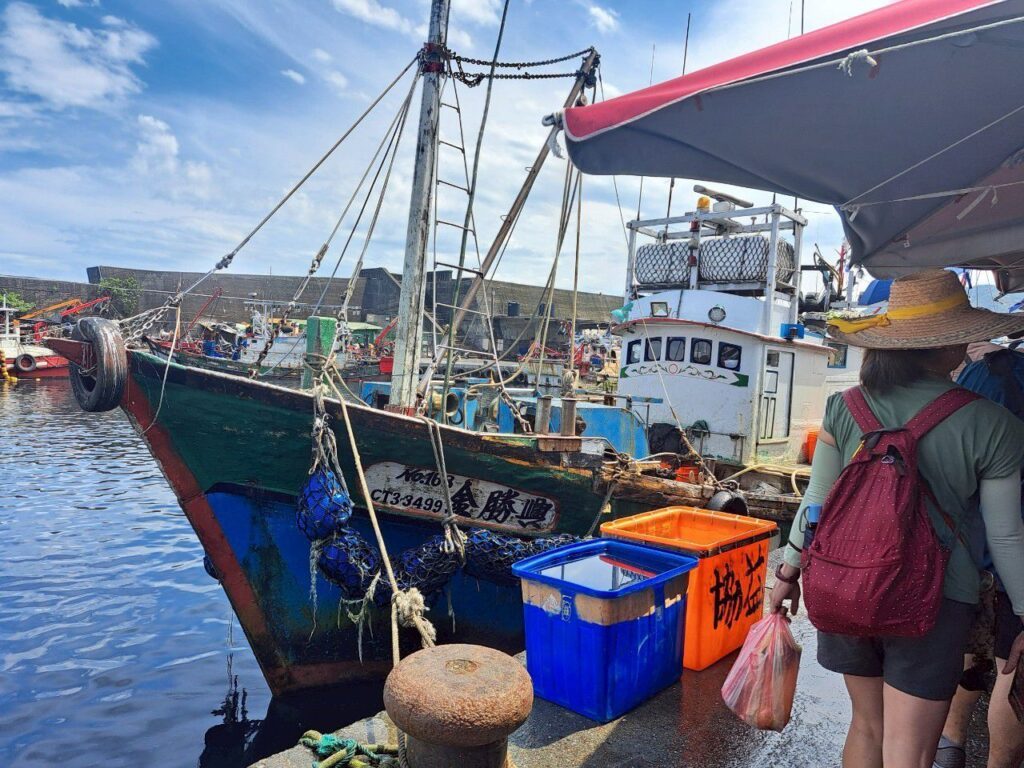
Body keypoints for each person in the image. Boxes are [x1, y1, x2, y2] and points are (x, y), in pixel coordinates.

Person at [769, 269, 1024, 768]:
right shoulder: (992, 424)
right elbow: (1006, 535)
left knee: (866, 727)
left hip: (845, 583)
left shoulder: (844, 407)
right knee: (909, 750)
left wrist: (786, 573)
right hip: (936, 599)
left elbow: (815, 500)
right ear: (949, 345)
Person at [934, 342, 1024, 768]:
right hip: (1012, 551)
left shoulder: (984, 373)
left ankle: (950, 743)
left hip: (968, 545)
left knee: (971, 644)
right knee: (1013, 665)